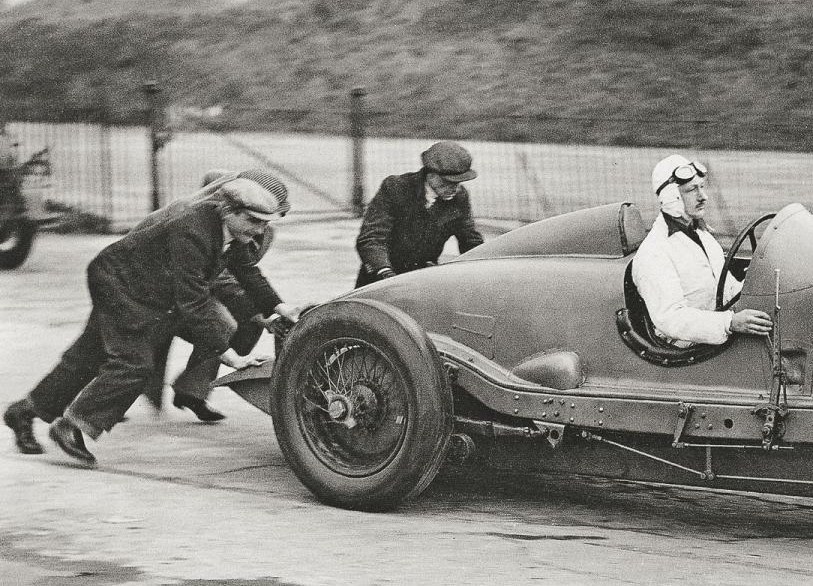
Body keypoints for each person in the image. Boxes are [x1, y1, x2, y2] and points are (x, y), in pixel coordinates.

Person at [2, 178, 298, 463]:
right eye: (254, 221)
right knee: (135, 364)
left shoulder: (235, 233)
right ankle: (73, 426)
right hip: (120, 287)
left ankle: (25, 411)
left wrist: (280, 307)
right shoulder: (192, 230)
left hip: (146, 290)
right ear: (229, 211)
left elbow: (250, 274)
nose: (260, 231)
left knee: (87, 357)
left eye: (265, 223)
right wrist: (229, 356)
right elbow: (192, 303)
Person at [143, 168, 294, 421]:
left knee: (235, 326)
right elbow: (217, 279)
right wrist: (258, 314)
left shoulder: (260, 231)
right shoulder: (191, 220)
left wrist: (273, 309)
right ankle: (94, 401)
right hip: (153, 287)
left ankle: (191, 391)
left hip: (195, 288)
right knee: (135, 348)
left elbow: (246, 271)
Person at [631, 154, 773, 346]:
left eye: (702, 187)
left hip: (719, 335)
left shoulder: (702, 234)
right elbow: (671, 318)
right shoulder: (654, 253)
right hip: (688, 349)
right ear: (672, 197)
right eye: (692, 190)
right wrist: (730, 322)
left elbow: (727, 289)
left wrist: (761, 284)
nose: (703, 197)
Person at [355, 141, 485, 287]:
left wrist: (482, 270)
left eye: (458, 183)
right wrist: (384, 272)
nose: (454, 189)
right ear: (431, 175)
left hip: (423, 281)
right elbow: (371, 238)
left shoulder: (459, 198)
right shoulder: (395, 188)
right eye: (448, 182)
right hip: (380, 279)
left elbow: (471, 241)